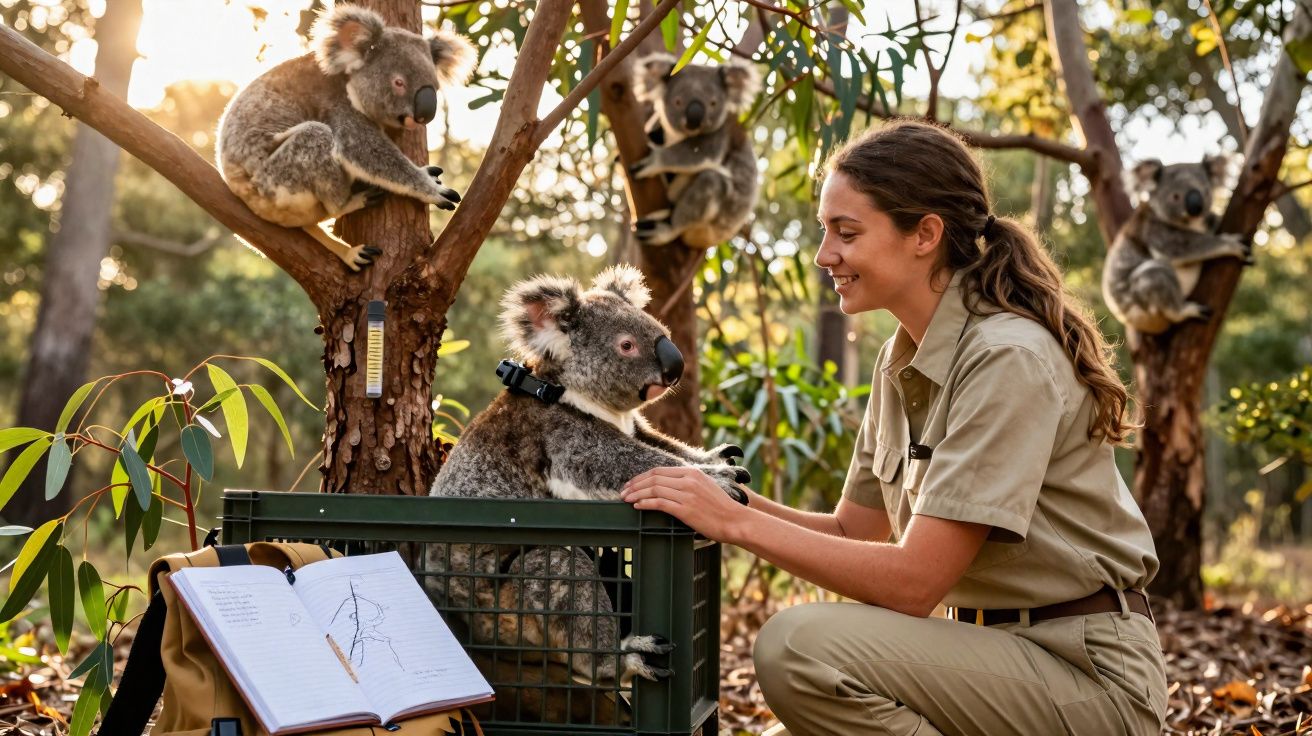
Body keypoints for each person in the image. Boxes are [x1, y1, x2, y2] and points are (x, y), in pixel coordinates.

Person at [620, 120, 1168, 736]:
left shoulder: (1006, 356)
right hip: (989, 660)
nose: (825, 254)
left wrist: (735, 524)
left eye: (846, 232)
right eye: (825, 230)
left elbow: (914, 582)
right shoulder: (900, 358)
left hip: (1086, 677)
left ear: (924, 235)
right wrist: (720, 496)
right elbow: (852, 530)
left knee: (795, 647)